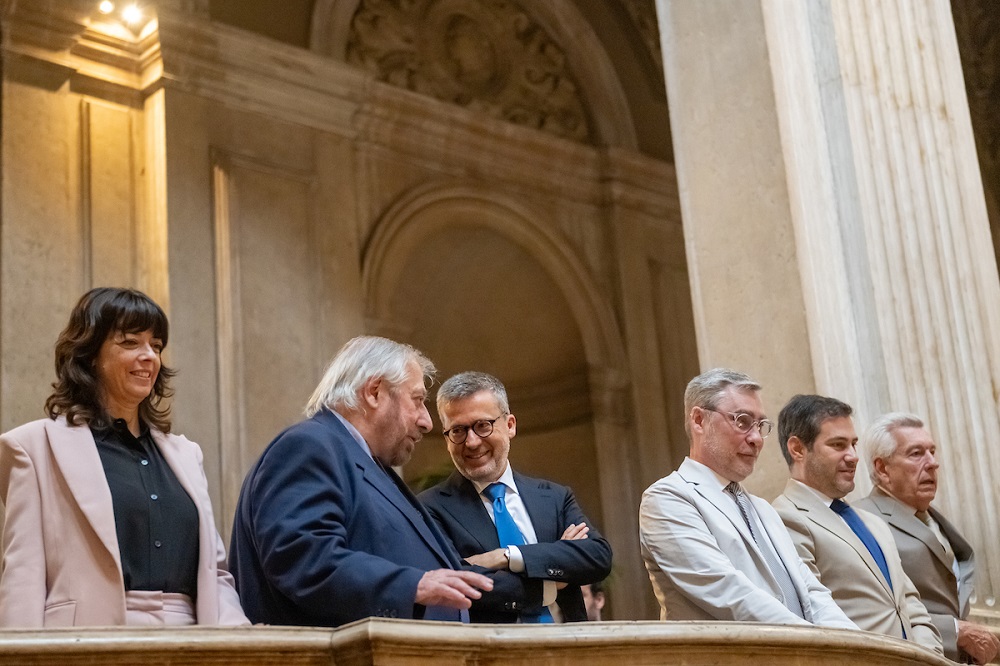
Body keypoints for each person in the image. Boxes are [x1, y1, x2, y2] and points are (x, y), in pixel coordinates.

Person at [229, 337, 540, 626]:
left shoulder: (368, 465)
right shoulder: (309, 446)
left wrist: (547, 580)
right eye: (417, 400)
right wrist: (413, 585)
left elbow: (451, 574)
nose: (426, 421)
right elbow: (303, 558)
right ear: (374, 392)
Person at [0, 287, 248, 627]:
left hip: (192, 643)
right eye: (130, 342)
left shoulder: (187, 455)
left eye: (156, 346)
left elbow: (214, 572)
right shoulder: (32, 448)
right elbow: (22, 575)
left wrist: (239, 637)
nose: (149, 356)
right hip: (84, 644)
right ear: (89, 355)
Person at [638, 368, 855, 628]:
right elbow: (728, 592)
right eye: (742, 421)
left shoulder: (762, 508)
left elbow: (811, 591)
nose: (756, 439)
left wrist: (855, 644)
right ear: (699, 420)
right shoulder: (667, 498)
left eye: (760, 425)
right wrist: (816, 642)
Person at [417, 371, 612, 623]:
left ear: (510, 425)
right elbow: (457, 585)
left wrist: (507, 556)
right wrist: (552, 579)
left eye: (482, 425)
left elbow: (596, 556)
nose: (472, 442)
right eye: (458, 431)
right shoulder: (429, 508)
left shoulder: (553, 497)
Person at [771, 395, 941, 652]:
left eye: (854, 444)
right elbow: (809, 619)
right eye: (838, 445)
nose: (853, 456)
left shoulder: (871, 521)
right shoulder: (784, 518)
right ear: (797, 449)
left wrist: (930, 655)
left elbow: (910, 604)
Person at [857, 413, 1000, 665]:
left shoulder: (931, 516)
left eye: (932, 451)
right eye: (916, 453)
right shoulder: (862, 521)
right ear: (882, 468)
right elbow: (870, 613)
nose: (933, 463)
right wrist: (955, 632)